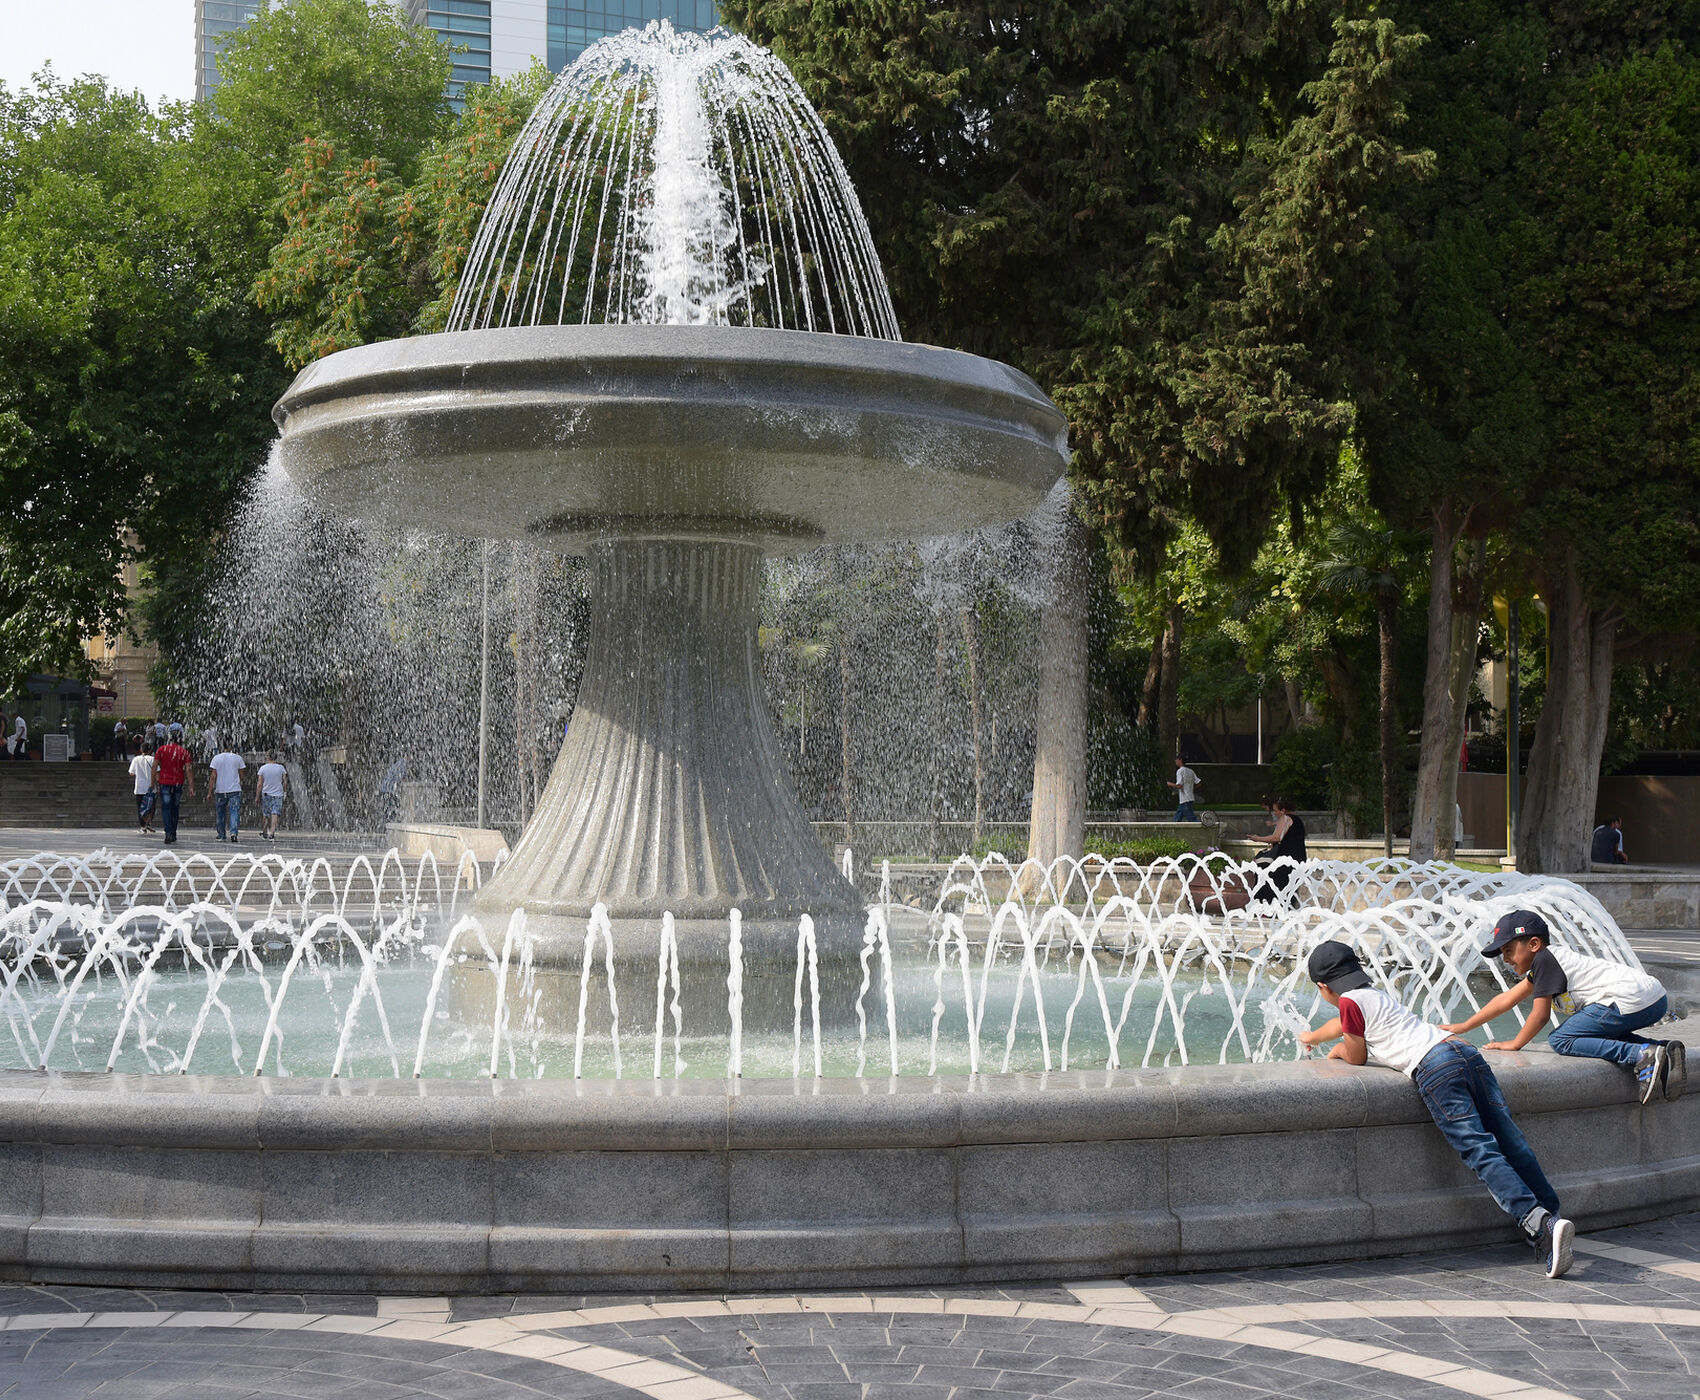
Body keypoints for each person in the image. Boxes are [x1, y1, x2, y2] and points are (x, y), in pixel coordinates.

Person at [1300, 939, 1575, 1279]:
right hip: (1464, 1053)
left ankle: (1540, 1224)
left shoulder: (1348, 1003)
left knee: (1479, 1149)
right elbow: (1341, 1026)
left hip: (1435, 1068)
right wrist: (1313, 1036)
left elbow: (1355, 1054)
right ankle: (1555, 1215)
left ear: (1323, 987)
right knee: (1509, 1139)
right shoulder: (1374, 995)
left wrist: (1337, 1052)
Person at [1442, 909, 1684, 1105]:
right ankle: (1661, 1050)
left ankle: (1640, 1055)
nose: (1505, 959)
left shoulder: (1545, 960)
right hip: (1653, 999)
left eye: (1508, 950)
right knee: (1597, 1032)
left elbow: (1540, 1016)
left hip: (1628, 998)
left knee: (1562, 1039)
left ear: (1534, 944)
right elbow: (1505, 1000)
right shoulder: (1547, 962)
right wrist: (1463, 1026)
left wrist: (1515, 1044)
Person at [153, 725, 193, 844]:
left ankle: (168, 832)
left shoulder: (161, 750)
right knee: (175, 808)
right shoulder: (184, 752)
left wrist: (152, 782)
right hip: (177, 782)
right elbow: (188, 769)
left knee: (166, 807)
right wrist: (191, 786)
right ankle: (173, 833)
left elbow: (154, 766)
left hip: (164, 782)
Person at [207, 743, 247, 843]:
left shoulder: (216, 758)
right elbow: (242, 775)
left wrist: (210, 791)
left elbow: (213, 776)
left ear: (222, 746)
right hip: (234, 789)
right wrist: (239, 782)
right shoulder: (238, 758)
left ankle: (221, 834)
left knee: (220, 812)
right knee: (234, 812)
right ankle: (233, 833)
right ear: (232, 747)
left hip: (220, 789)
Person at [255, 750, 288, 842]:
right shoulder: (281, 768)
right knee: (275, 814)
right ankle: (272, 833)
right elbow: (285, 782)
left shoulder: (263, 768)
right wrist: (285, 792)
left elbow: (260, 784)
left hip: (266, 794)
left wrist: (257, 795)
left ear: (268, 757)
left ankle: (265, 832)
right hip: (278, 794)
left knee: (266, 814)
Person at [128, 743, 157, 834]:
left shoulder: (136, 759)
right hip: (151, 787)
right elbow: (157, 771)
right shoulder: (153, 759)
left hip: (139, 788)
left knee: (140, 808)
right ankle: (148, 822)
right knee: (151, 807)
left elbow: (131, 773)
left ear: (141, 750)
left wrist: (139, 772)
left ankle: (143, 826)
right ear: (150, 750)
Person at [1168, 756, 1201, 822]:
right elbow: (1199, 783)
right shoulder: (1190, 771)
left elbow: (1179, 786)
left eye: (1176, 760)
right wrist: (1190, 788)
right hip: (1189, 799)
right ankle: (1173, 831)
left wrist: (1169, 784)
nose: (1175, 761)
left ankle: (1204, 831)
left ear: (1180, 760)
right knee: (1176, 819)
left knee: (1192, 819)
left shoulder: (1180, 771)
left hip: (1185, 800)